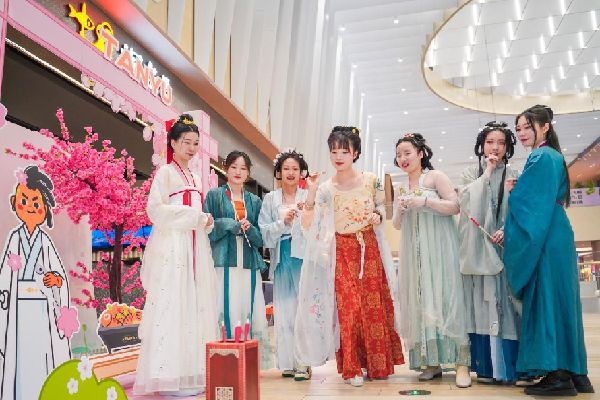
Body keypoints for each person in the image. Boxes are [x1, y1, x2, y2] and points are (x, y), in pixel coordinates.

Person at [295, 126, 403, 387]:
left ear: (355, 153)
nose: (338, 157)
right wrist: (311, 192)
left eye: (344, 151)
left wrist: (378, 215)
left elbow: (383, 207)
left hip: (368, 247)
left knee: (373, 305)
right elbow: (309, 224)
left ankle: (377, 364)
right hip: (341, 250)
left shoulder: (370, 180)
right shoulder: (326, 188)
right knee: (349, 308)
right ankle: (352, 367)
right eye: (334, 151)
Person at [504, 105, 594, 396]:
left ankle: (557, 374)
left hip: (544, 233)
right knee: (562, 300)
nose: (521, 133)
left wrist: (513, 192)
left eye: (527, 127)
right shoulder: (553, 155)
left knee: (546, 299)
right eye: (518, 128)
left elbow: (528, 202)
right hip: (556, 230)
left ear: (545, 127)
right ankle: (575, 372)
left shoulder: (541, 156)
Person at [134, 114, 220, 396]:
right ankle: (169, 377)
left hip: (194, 247)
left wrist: (204, 221)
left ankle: (191, 374)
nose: (192, 148)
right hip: (174, 246)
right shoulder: (165, 173)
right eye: (186, 142)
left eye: (195, 143)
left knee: (194, 305)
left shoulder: (195, 177)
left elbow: (197, 215)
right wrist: (192, 216)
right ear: (173, 143)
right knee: (173, 304)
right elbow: (154, 210)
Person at [392, 133, 471, 388]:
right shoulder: (401, 186)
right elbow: (396, 224)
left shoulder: (435, 177)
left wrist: (424, 201)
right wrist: (401, 209)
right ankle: (431, 361)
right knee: (421, 301)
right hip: (414, 254)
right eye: (399, 155)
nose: (403, 158)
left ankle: (461, 362)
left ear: (420, 153)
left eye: (407, 153)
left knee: (446, 297)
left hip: (439, 248)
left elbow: (455, 206)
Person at [458, 122, 522, 384]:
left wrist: (507, 229)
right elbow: (464, 203)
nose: (495, 147)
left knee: (507, 305)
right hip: (478, 250)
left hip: (505, 249)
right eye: (490, 142)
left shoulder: (514, 173)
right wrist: (487, 172)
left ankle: (510, 368)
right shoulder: (470, 173)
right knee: (479, 306)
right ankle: (485, 367)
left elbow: (520, 207)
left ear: (508, 147)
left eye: (501, 143)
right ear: (481, 145)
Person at [0, 165, 71, 400]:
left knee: (41, 354)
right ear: (14, 202)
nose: (30, 206)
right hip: (17, 309)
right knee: (20, 356)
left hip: (42, 310)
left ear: (45, 209)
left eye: (36, 202)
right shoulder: (14, 238)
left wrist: (56, 280)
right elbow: (5, 278)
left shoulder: (45, 242)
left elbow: (59, 276)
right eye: (24, 200)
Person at [203, 150, 273, 368]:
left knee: (247, 305)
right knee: (224, 304)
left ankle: (248, 361)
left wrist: (249, 228)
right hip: (223, 261)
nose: (238, 172)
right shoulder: (214, 196)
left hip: (249, 263)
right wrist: (230, 224)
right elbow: (207, 228)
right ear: (226, 169)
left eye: (243, 168)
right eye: (234, 167)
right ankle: (223, 359)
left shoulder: (254, 201)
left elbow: (262, 238)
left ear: (248, 173)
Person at [258, 149, 311, 380]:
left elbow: (317, 226)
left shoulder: (307, 196)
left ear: (301, 172)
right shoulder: (270, 198)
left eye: (295, 169)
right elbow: (263, 231)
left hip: (303, 256)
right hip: (281, 256)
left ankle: (304, 362)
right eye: (286, 168)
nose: (290, 173)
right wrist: (282, 222)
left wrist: (302, 221)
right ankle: (288, 361)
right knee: (284, 308)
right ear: (279, 172)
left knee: (302, 309)